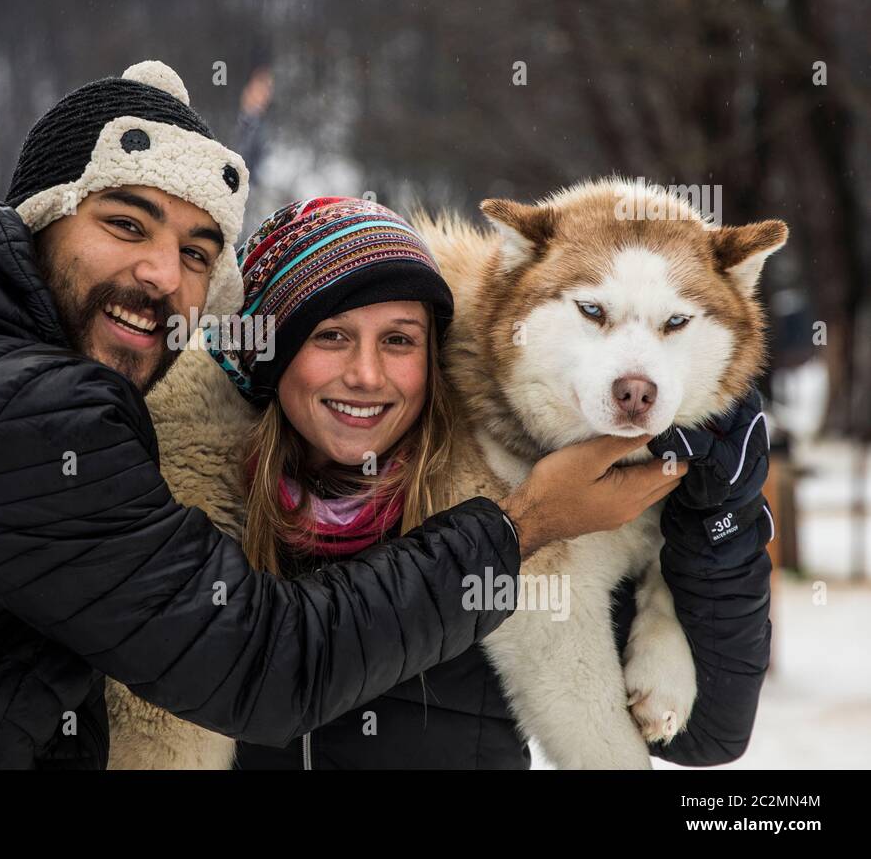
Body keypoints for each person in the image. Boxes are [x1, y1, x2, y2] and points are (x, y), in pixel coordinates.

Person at [0, 62, 680, 770]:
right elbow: (261, 662)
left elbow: (701, 711)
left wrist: (714, 502)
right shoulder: (15, 408)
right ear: (40, 222)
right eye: (127, 223)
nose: (162, 275)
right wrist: (525, 521)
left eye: (197, 252)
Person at [116, 196, 771, 769]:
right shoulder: (178, 512)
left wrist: (721, 525)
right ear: (272, 352)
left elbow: (707, 736)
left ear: (433, 357)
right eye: (331, 335)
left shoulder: (493, 492)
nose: (366, 375)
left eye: (398, 341)